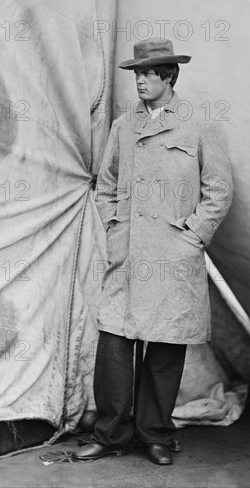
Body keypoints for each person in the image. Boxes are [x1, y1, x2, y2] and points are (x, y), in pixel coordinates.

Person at [74, 38, 233, 465]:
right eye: (136, 74)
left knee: (164, 350)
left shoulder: (200, 126)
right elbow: (105, 184)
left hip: (172, 255)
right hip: (127, 254)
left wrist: (193, 237)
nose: (140, 81)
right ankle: (110, 435)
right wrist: (113, 227)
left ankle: (155, 435)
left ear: (169, 76)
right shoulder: (124, 127)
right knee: (113, 347)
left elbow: (218, 191)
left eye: (147, 74)